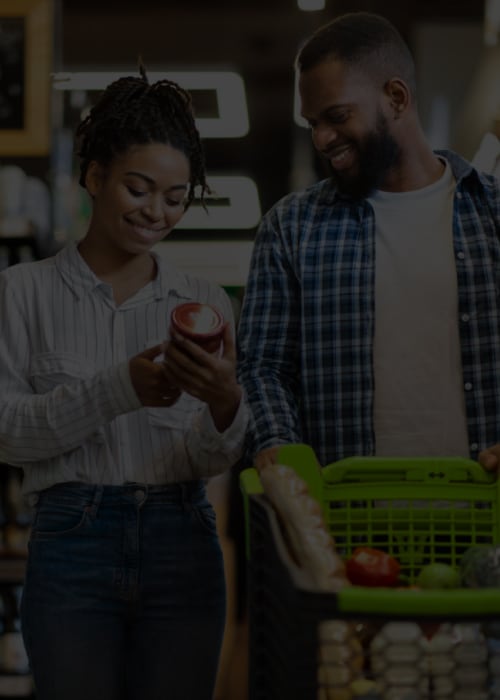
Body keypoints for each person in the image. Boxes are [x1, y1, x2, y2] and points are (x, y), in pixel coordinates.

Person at [0, 68, 247, 700]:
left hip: (182, 544)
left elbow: (207, 458)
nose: (156, 212)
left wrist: (225, 404)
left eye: (175, 196)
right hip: (70, 548)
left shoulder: (203, 301)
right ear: (94, 176)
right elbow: (7, 433)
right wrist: (118, 389)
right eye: (138, 188)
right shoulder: (22, 293)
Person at [237, 11, 500, 474]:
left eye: (337, 117)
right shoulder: (292, 228)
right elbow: (263, 368)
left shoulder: (493, 215)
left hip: (487, 520)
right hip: (346, 527)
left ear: (396, 97)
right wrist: (280, 447)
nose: (322, 138)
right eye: (313, 123)